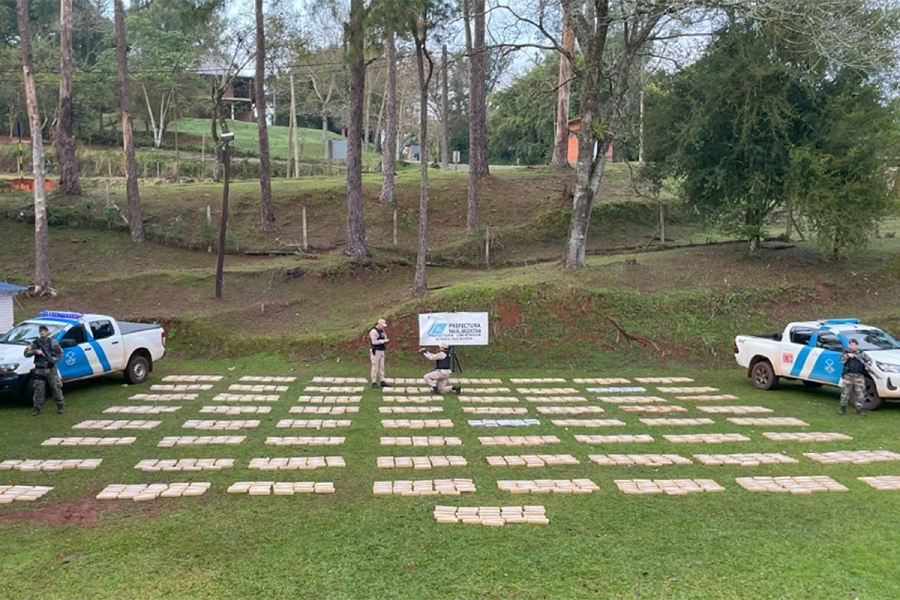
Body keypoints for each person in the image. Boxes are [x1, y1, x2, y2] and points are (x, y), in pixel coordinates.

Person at [23, 325, 65, 416]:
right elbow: (26, 353)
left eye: (44, 331)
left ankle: (60, 405)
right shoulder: (35, 343)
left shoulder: (53, 342)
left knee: (56, 387)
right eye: (41, 331)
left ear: (47, 332)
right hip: (39, 369)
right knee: (38, 389)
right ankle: (36, 407)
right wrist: (35, 351)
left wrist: (55, 359)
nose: (42, 332)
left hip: (51, 368)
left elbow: (60, 353)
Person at [839, 338, 872, 416]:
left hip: (859, 375)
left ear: (856, 345)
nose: (852, 346)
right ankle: (842, 408)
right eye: (850, 345)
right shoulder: (846, 353)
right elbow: (841, 361)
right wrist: (847, 356)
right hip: (848, 375)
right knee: (845, 392)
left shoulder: (861, 353)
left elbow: (869, 360)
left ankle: (859, 409)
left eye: (853, 344)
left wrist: (867, 366)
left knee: (860, 393)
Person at [368, 319, 391, 389]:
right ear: (379, 324)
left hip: (381, 350)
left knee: (381, 366)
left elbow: (384, 337)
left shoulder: (382, 331)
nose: (383, 327)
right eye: (382, 325)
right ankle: (374, 382)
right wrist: (383, 341)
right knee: (375, 367)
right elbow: (374, 341)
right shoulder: (373, 331)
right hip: (376, 350)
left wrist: (385, 341)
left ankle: (382, 380)